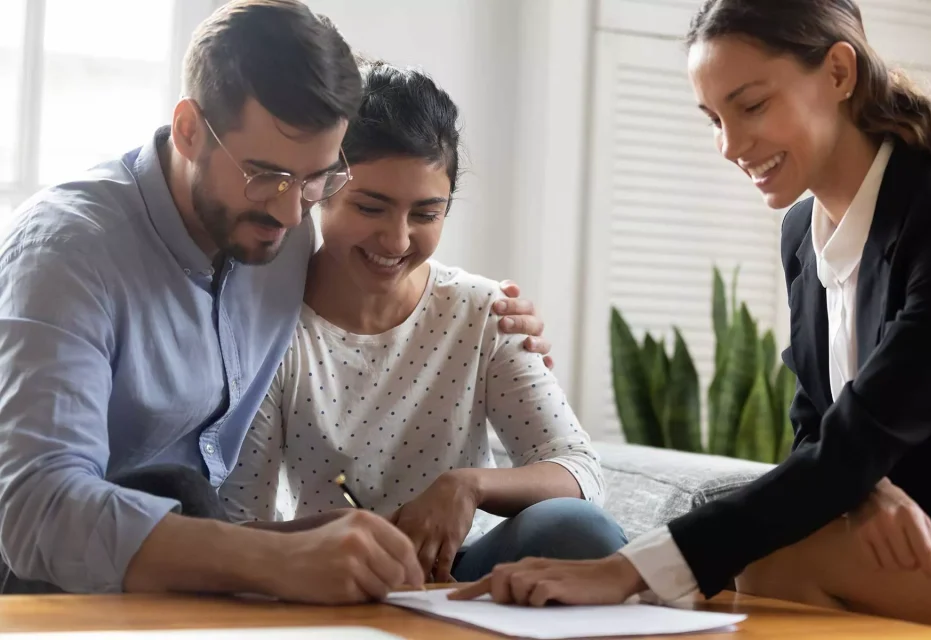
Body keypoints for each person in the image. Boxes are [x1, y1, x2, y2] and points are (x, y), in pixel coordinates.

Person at [449, 0, 931, 637]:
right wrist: (862, 490)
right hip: (918, 541)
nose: (729, 145)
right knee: (761, 557)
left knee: (772, 565)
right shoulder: (803, 235)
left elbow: (863, 434)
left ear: (838, 73)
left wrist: (626, 570)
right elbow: (819, 429)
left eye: (751, 107)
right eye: (714, 118)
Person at [0, 0, 551, 604]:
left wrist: (495, 316)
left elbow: (381, 282)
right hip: (46, 588)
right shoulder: (67, 252)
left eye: (317, 180)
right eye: (265, 174)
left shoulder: (278, 232)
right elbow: (35, 510)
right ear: (188, 130)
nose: (292, 212)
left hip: (192, 574)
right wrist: (269, 557)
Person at [218, 61, 627, 584]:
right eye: (370, 207)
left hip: (458, 580)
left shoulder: (483, 312)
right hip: (327, 575)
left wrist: (468, 486)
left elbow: (579, 469)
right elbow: (236, 524)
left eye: (426, 215)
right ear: (319, 189)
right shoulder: (270, 329)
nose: (397, 241)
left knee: (576, 528)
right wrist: (344, 535)